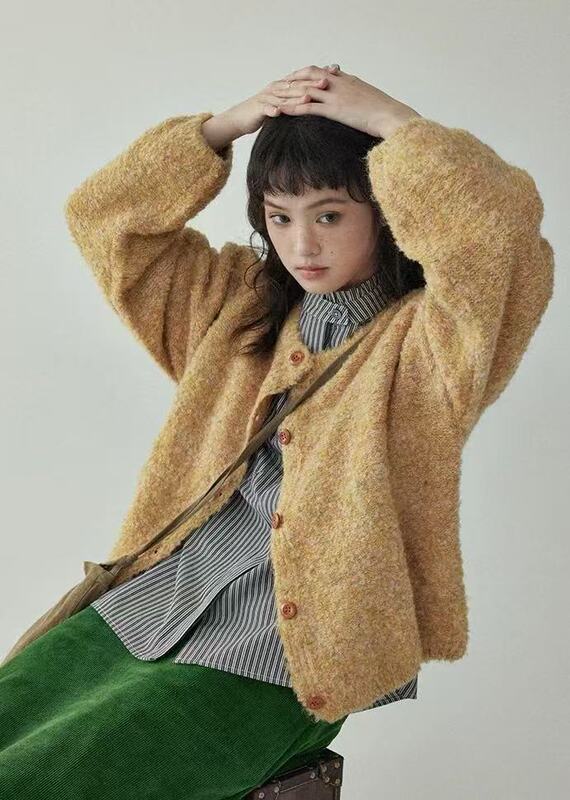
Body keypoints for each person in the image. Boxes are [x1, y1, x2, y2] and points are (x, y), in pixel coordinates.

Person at [0, 63, 555, 799]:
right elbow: (104, 217)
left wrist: (392, 122)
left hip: (284, 654)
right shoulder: (233, 309)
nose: (302, 245)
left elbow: (503, 237)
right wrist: (223, 127)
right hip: (152, 600)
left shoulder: (432, 346)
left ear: (385, 210)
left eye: (329, 215)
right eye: (280, 216)